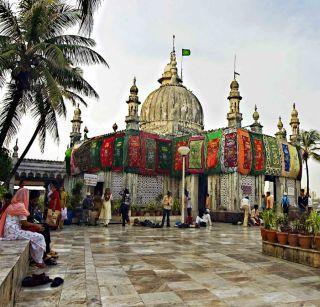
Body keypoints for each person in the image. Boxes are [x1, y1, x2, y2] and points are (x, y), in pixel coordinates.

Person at [0, 189, 46, 268]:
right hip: (14, 232)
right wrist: (36, 226)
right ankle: (39, 261)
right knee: (39, 237)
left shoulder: (12, 205)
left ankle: (36, 259)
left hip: (8, 232)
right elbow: (24, 223)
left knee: (34, 236)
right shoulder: (20, 206)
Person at [27, 191, 57, 262]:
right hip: (28, 226)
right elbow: (26, 222)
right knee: (43, 230)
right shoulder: (28, 206)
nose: (37, 201)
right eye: (36, 199)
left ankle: (47, 249)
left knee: (46, 225)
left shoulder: (32, 205)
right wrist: (37, 225)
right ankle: (44, 255)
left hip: (31, 224)